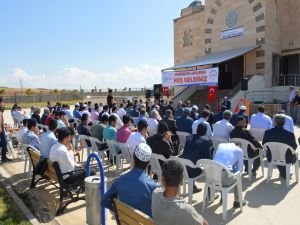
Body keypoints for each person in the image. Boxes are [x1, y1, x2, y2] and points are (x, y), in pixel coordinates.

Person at [101, 143, 157, 217]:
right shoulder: (152, 186)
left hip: (125, 220)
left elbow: (104, 201)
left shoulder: (120, 180)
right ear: (148, 163)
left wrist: (118, 211)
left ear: (133, 159)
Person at [152, 160, 208, 225]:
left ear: (163, 179)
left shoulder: (155, 194)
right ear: (181, 180)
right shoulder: (186, 210)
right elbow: (205, 224)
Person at [263, 114, 297, 179]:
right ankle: (285, 173)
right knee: (287, 153)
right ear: (284, 123)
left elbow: (264, 143)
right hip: (286, 157)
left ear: (275, 122)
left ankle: (283, 173)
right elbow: (294, 147)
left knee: (277, 152)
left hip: (272, 155)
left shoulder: (267, 132)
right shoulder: (290, 134)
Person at [181, 123, 213, 191]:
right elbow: (208, 158)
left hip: (184, 167)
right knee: (211, 168)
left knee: (193, 158)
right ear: (205, 131)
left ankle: (193, 187)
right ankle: (210, 195)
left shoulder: (188, 137)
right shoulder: (205, 140)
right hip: (194, 170)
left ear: (197, 129)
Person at [214, 142, 246, 208]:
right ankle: (237, 201)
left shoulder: (220, 145)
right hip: (224, 180)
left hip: (212, 177)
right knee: (239, 177)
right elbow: (240, 169)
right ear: (239, 146)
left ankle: (218, 197)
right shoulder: (239, 150)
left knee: (219, 171)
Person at [0, 97, 12, 163]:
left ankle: (4, 157)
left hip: (2, 128)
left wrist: (3, 125)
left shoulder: (1, 110)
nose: (3, 103)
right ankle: (3, 158)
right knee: (4, 142)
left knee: (4, 142)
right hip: (1, 130)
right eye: (2, 102)